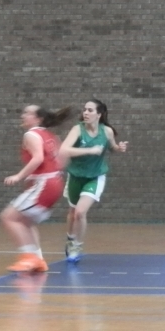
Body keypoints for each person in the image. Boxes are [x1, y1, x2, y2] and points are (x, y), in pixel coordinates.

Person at [0, 105, 73, 272]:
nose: (23, 115)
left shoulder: (31, 134)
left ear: (38, 118)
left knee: (8, 217)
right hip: (54, 183)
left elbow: (38, 158)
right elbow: (62, 160)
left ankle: (28, 258)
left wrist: (19, 176)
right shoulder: (50, 136)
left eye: (27, 113)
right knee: (26, 221)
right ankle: (38, 260)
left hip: (44, 184)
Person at [60, 99, 128, 262]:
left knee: (80, 212)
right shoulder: (78, 129)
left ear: (99, 114)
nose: (86, 113)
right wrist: (89, 150)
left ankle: (77, 245)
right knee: (72, 213)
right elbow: (63, 150)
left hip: (95, 177)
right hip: (76, 176)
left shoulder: (107, 131)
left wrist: (119, 148)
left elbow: (112, 147)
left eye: (90, 110)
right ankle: (70, 239)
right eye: (85, 109)